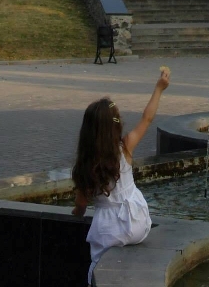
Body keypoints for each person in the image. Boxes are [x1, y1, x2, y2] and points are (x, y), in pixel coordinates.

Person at [72, 69, 171, 282]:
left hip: (109, 232)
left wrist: (77, 212)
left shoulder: (85, 166)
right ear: (115, 126)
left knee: (97, 269)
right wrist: (159, 88)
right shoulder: (125, 147)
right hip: (138, 222)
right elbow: (147, 118)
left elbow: (81, 205)